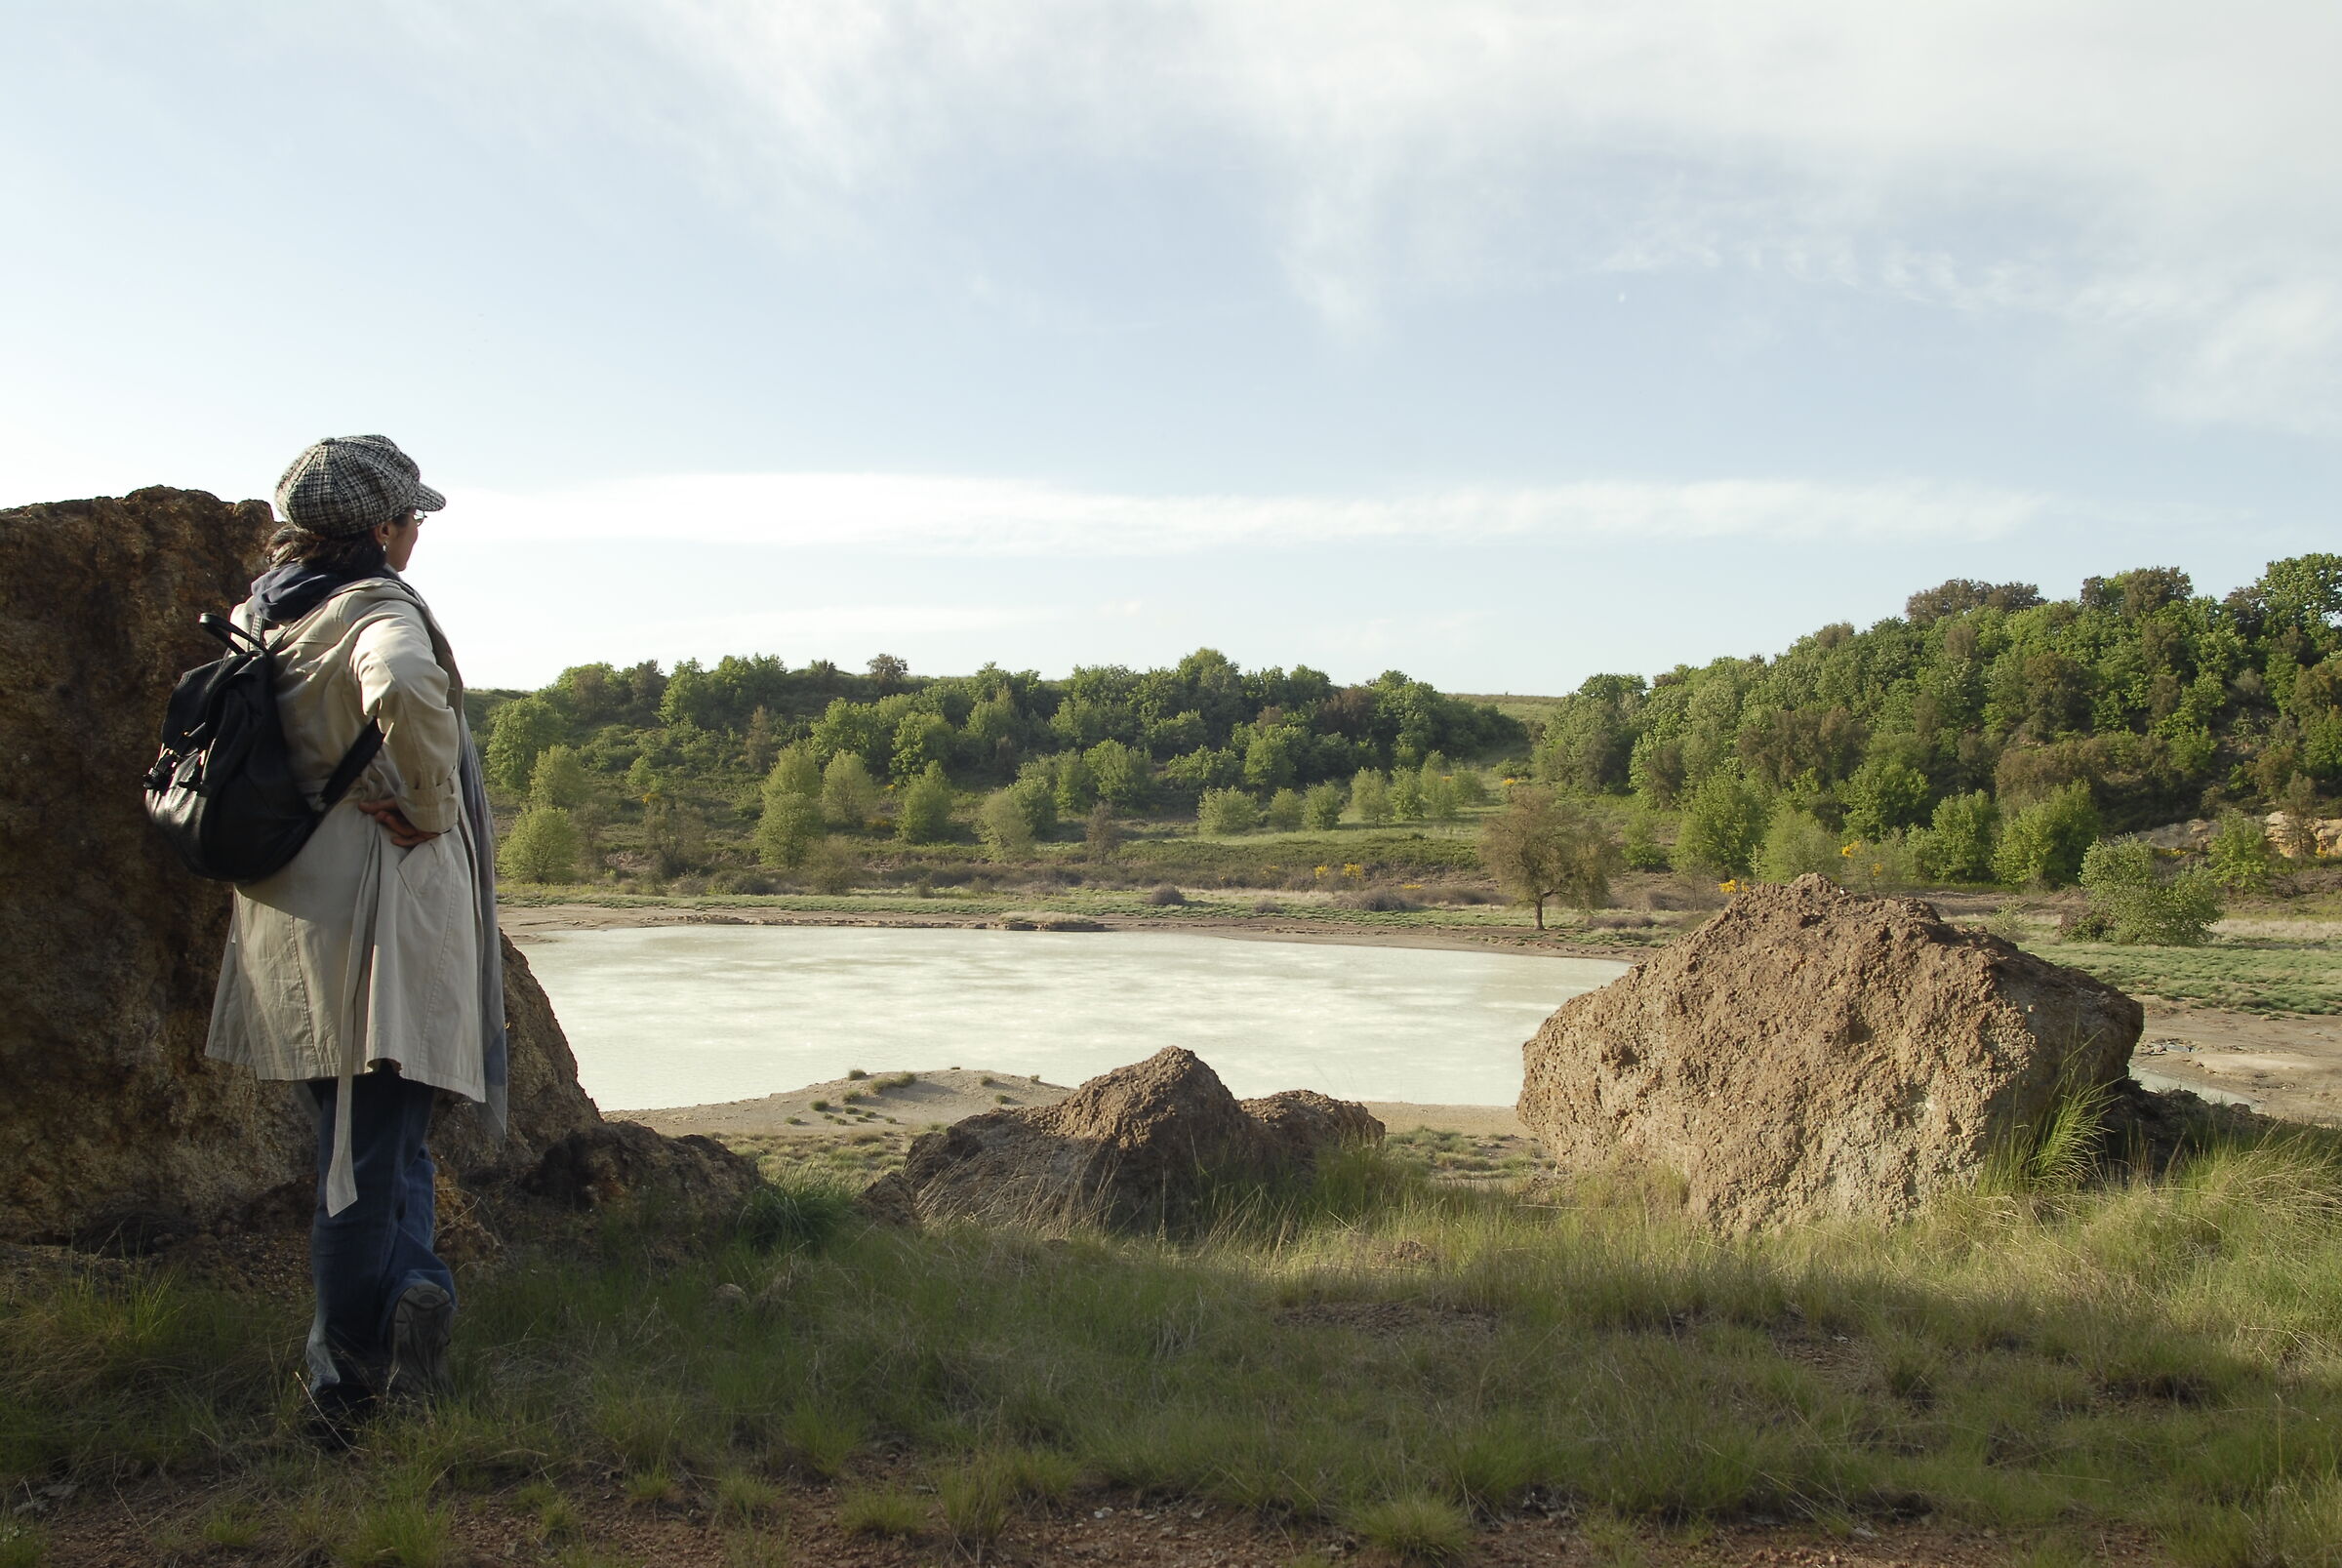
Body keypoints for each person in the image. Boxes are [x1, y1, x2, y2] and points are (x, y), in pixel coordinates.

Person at [205, 435, 505, 1437]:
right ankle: (346, 1377)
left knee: (380, 1141)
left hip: (294, 907)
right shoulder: (372, 611)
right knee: (362, 1154)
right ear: (381, 529)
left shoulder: (268, 610)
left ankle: (413, 1295)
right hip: (373, 916)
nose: (417, 535)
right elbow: (409, 687)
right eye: (411, 519)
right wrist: (424, 802)